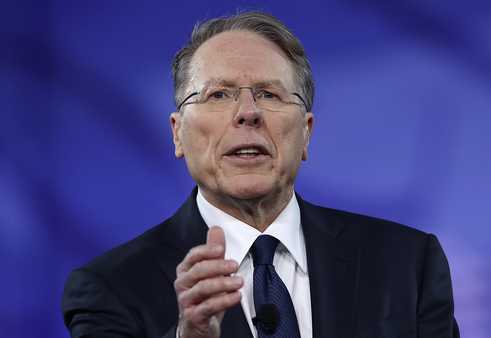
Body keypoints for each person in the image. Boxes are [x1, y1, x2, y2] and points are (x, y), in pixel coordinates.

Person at [62, 11, 459, 338]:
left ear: (306, 132)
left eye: (269, 94)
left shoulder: (407, 265)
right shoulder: (110, 289)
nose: (247, 113)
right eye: (218, 94)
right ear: (177, 132)